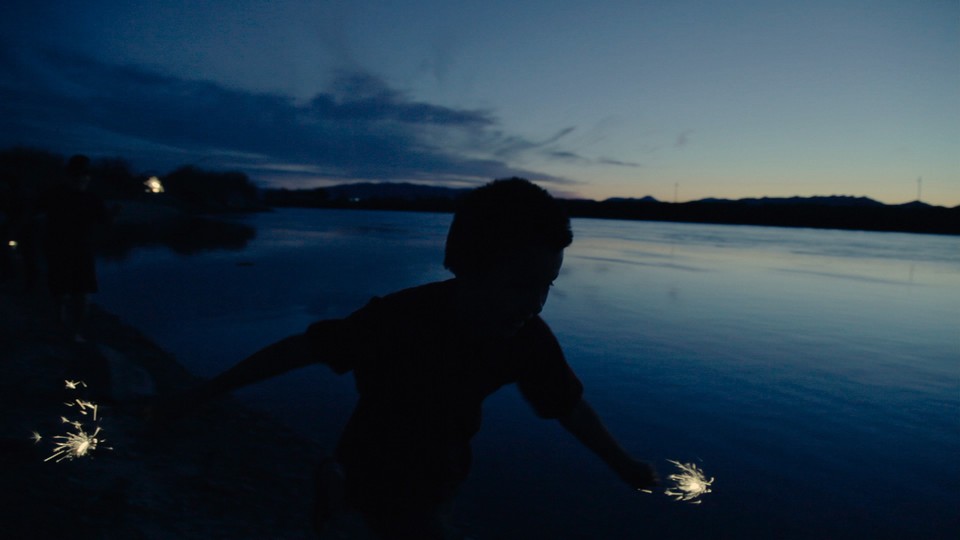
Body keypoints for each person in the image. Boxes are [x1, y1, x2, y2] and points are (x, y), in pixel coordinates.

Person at [157, 178, 658, 539]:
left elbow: (567, 405)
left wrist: (623, 464)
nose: (536, 303)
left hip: (443, 472)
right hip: (374, 465)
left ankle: (338, 493)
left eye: (547, 285)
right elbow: (295, 351)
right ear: (465, 266)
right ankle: (341, 492)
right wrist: (201, 392)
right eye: (520, 285)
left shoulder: (526, 336)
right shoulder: (398, 319)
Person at [40, 154, 111, 341]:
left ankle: (74, 331)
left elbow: (104, 221)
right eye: (77, 174)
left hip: (80, 251)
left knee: (81, 294)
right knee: (63, 291)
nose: (82, 178)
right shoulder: (55, 195)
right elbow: (35, 213)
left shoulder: (91, 199)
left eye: (84, 174)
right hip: (60, 249)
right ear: (69, 175)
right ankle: (64, 323)